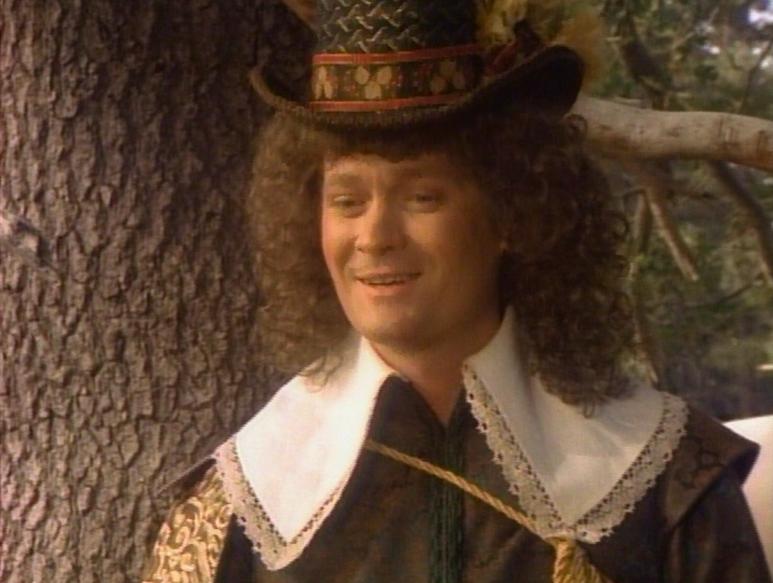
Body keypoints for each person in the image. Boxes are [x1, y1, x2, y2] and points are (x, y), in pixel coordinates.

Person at [142, 0, 771, 581]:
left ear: (509, 214)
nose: (374, 237)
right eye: (347, 201)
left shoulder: (667, 483)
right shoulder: (237, 509)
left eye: (423, 197)